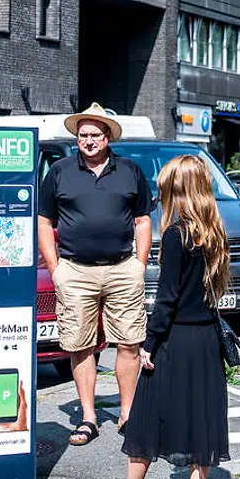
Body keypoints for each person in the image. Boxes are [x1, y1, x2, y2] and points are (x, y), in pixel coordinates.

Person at [91, 154, 230, 479]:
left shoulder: (175, 234)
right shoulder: (214, 232)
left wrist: (149, 342)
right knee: (202, 421)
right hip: (205, 342)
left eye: (166, 186)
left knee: (146, 418)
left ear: (178, 190)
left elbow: (166, 298)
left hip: (176, 338)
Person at [38, 103, 152, 447]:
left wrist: (140, 264)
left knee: (130, 343)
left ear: (107, 137)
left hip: (122, 269)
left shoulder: (130, 171)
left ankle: (128, 415)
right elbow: (44, 222)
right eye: (82, 134)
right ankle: (88, 417)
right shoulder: (59, 171)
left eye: (94, 135)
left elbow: (143, 220)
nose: (88, 141)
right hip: (74, 271)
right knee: (80, 345)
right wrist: (56, 269)